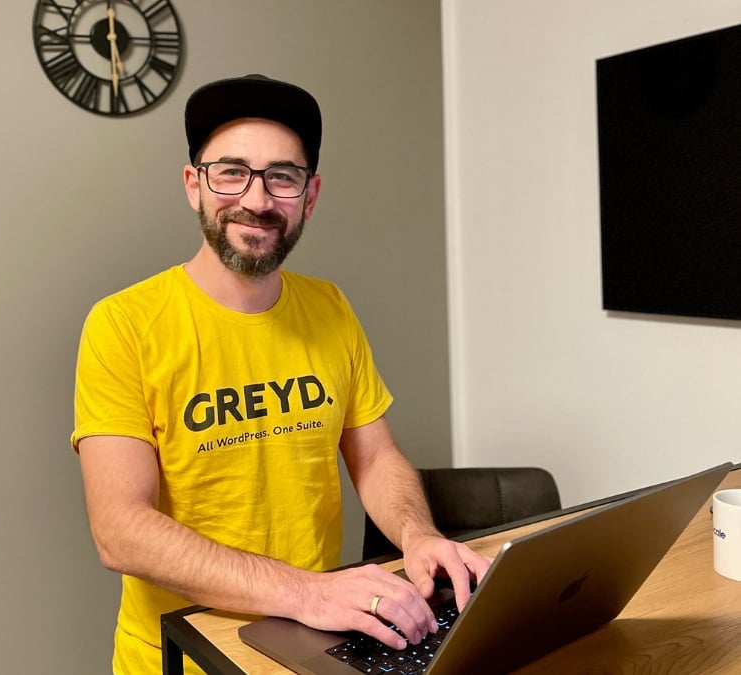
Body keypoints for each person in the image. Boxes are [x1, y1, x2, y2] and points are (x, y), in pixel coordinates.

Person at [72, 73, 492, 674]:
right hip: (186, 654)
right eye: (231, 171)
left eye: (283, 177)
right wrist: (309, 591)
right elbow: (122, 529)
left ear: (311, 195)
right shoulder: (122, 323)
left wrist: (418, 536)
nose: (257, 199)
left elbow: (375, 458)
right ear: (195, 186)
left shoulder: (331, 308)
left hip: (311, 645)